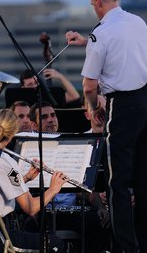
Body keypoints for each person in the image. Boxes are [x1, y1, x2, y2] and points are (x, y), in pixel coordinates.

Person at [65, 0, 147, 253]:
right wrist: (87, 42)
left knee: (117, 182)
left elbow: (89, 86)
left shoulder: (101, 34)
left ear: (96, 1)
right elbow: (121, 50)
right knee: (146, 179)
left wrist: (94, 107)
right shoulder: (137, 22)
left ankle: (125, 247)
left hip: (125, 106)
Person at [27, 100, 111, 253]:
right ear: (33, 125)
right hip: (43, 210)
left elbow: (82, 188)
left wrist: (100, 206)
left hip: (70, 210)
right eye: (44, 117)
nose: (51, 119)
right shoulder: (27, 148)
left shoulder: (69, 144)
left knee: (101, 220)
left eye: (53, 115)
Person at [0, 109, 66, 252]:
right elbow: (31, 208)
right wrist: (53, 190)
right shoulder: (5, 161)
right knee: (55, 244)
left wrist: (25, 178)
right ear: (13, 133)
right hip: (0, 237)